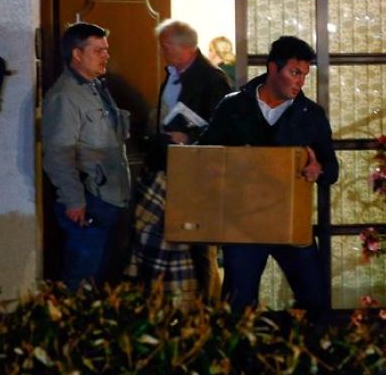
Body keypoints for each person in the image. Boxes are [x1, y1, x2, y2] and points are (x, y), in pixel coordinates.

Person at [199, 35, 339, 313]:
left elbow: (331, 169)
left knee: (316, 299)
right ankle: (242, 356)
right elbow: (205, 154)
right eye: (294, 72)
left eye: (304, 75)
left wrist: (317, 169)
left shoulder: (310, 114)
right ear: (273, 69)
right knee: (237, 305)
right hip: (242, 223)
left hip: (290, 220)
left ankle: (308, 353)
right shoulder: (234, 105)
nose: (300, 81)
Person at [126, 19, 231, 302]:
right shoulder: (173, 73)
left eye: (166, 45)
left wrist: (188, 136)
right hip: (168, 168)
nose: (161, 50)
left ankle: (208, 312)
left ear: (186, 47)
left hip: (198, 173)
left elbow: (224, 127)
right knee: (172, 242)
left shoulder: (213, 78)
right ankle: (177, 306)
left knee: (200, 244)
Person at [42, 22, 131, 292]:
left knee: (105, 278)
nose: (106, 55)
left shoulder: (95, 88)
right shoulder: (65, 96)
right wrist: (74, 200)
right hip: (89, 201)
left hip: (111, 196)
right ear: (77, 54)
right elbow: (58, 153)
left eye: (106, 49)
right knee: (83, 281)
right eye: (98, 50)